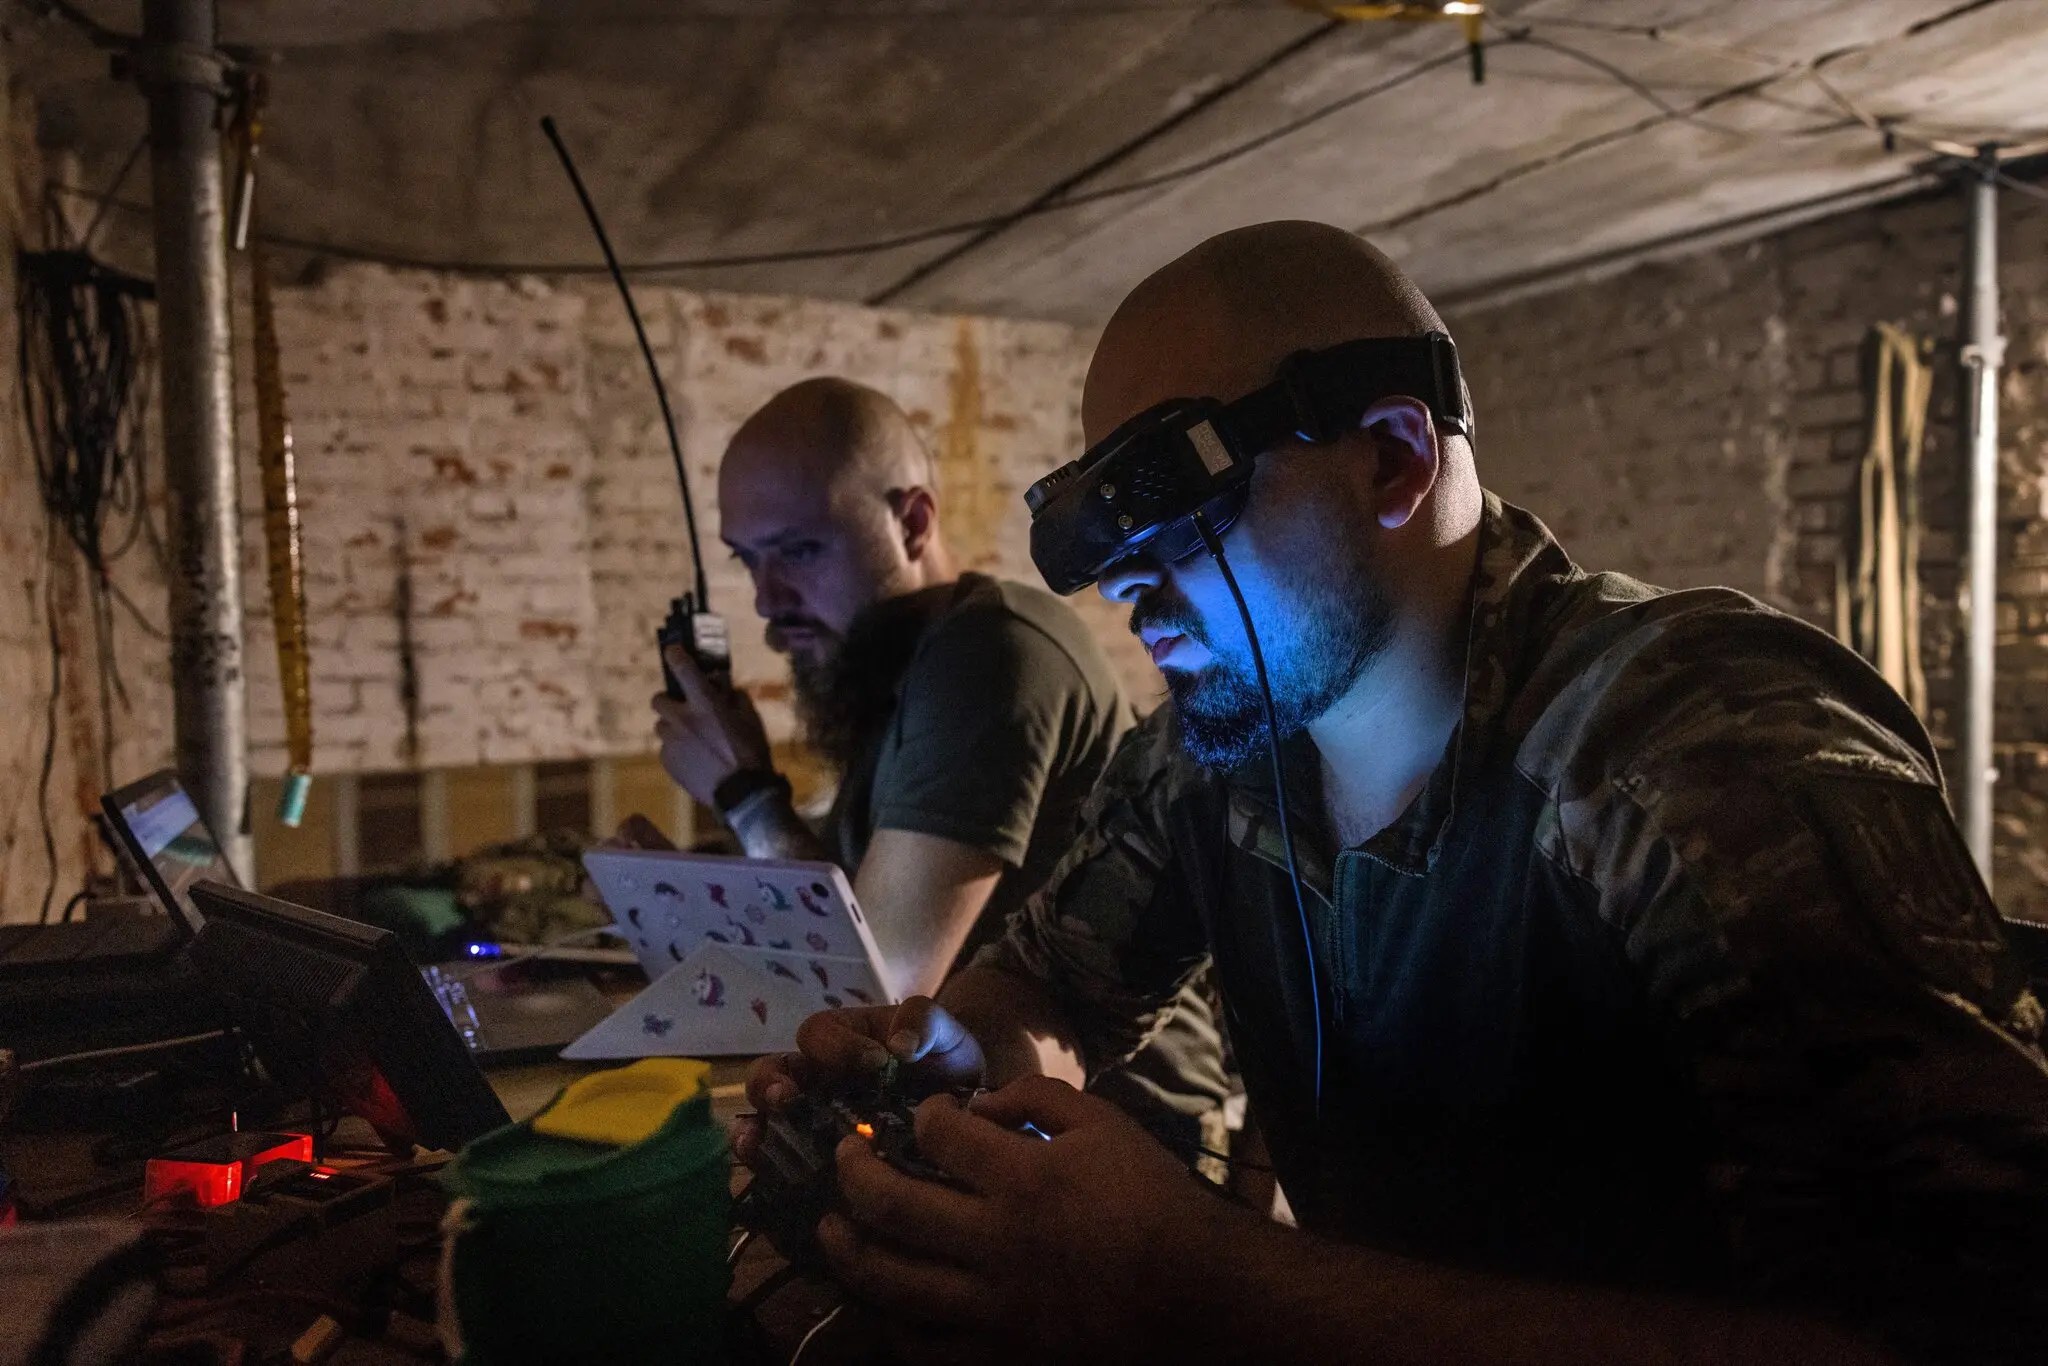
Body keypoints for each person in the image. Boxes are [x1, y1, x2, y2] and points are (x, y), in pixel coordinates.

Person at [736, 224, 2048, 1364]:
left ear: (1391, 457)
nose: (1127, 583)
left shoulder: (1697, 749)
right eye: (1107, 533)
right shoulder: (1219, 746)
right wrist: (943, 1060)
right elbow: (1057, 985)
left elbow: (1980, 1327)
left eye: (1173, 505)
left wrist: (1203, 1282)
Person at [634, 376, 1228, 1144]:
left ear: (912, 521)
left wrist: (747, 794)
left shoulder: (989, 654)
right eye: (749, 562)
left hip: (1129, 1138)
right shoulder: (889, 670)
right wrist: (675, 898)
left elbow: (871, 988)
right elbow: (849, 949)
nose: (766, 600)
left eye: (799, 552)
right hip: (990, 1108)